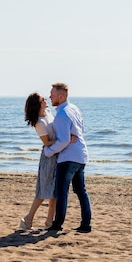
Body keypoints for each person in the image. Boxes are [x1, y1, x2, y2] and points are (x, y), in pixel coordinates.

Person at [44, 83, 92, 233]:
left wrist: (49, 151)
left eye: (52, 94)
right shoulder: (74, 109)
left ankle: (57, 224)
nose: (50, 97)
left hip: (68, 157)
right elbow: (81, 129)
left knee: (62, 191)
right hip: (81, 155)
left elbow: (64, 140)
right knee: (81, 191)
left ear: (61, 96)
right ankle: (86, 225)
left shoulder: (62, 114)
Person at [19, 92, 58, 231]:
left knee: (54, 191)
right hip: (49, 158)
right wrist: (64, 142)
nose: (45, 100)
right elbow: (47, 142)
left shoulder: (48, 112)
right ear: (38, 104)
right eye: (42, 99)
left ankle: (49, 222)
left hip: (57, 154)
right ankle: (27, 219)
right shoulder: (39, 123)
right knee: (43, 191)